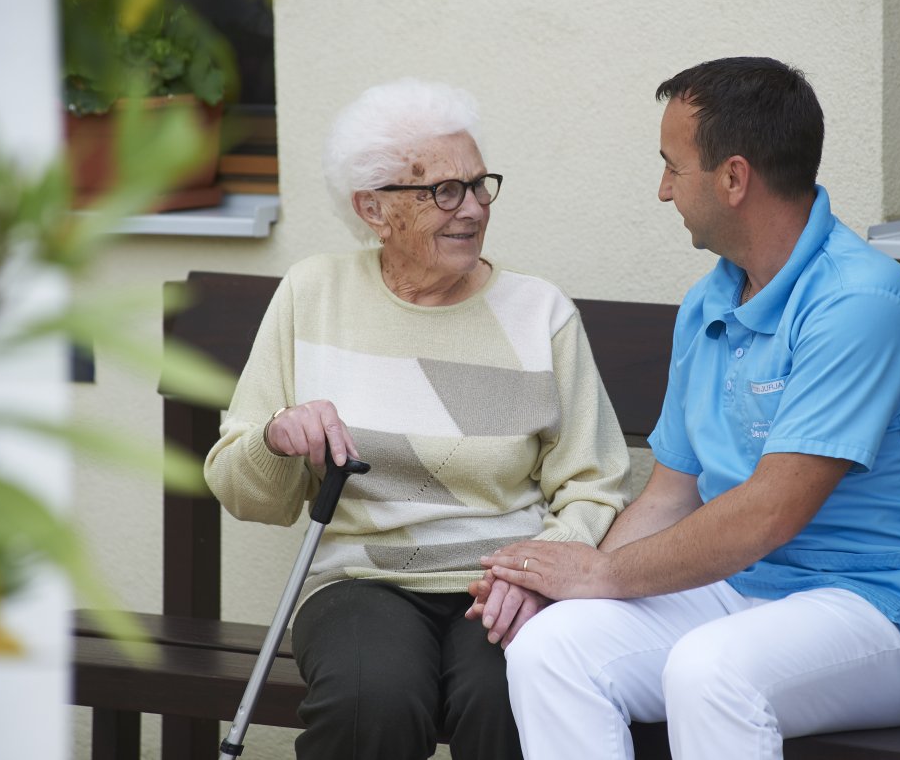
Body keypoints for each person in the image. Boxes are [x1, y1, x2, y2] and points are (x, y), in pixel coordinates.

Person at [474, 57, 900, 759]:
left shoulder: (858, 304)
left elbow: (771, 511)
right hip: (746, 586)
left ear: (734, 178)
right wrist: (566, 587)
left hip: (891, 604)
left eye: (672, 167)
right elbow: (670, 496)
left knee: (710, 671)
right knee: (550, 648)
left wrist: (600, 575)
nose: (663, 189)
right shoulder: (712, 301)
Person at [204, 78, 632, 760]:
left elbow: (594, 481)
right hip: (359, 581)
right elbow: (244, 491)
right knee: (370, 698)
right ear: (373, 208)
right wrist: (276, 437)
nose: (474, 208)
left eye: (479, 185)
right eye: (444, 191)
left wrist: (539, 572)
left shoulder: (539, 313)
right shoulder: (313, 293)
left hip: (501, 580)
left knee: (511, 695)